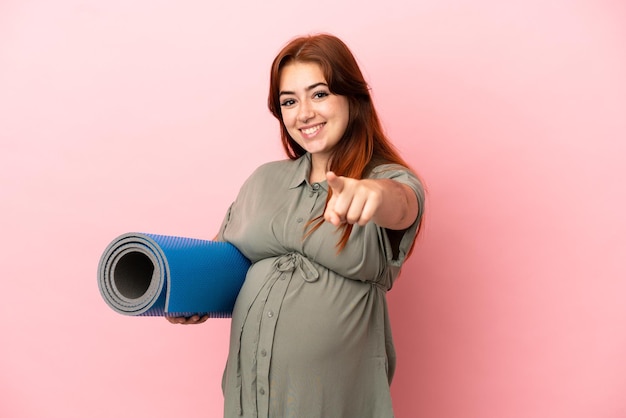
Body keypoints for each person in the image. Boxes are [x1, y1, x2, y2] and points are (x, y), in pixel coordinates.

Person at [168, 33, 425, 418]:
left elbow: (402, 205)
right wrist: (189, 295)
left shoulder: (387, 180)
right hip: (248, 400)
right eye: (289, 101)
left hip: (335, 403)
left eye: (319, 94)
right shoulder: (262, 181)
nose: (304, 113)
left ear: (352, 98)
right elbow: (220, 263)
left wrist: (373, 193)